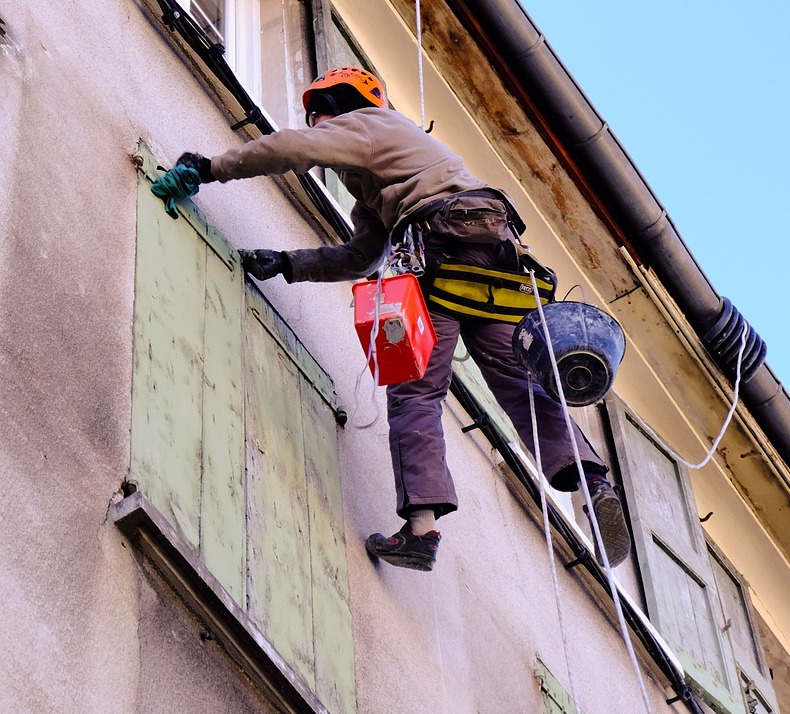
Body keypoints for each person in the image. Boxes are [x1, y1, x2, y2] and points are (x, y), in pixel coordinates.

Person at [175, 66, 630, 572]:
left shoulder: (369, 124)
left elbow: (290, 148)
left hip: (442, 246)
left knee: (415, 389)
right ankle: (592, 482)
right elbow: (361, 257)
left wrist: (210, 167)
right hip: (496, 261)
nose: (317, 123)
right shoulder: (385, 170)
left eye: (320, 112)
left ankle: (421, 531)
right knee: (519, 382)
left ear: (345, 103)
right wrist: (287, 263)